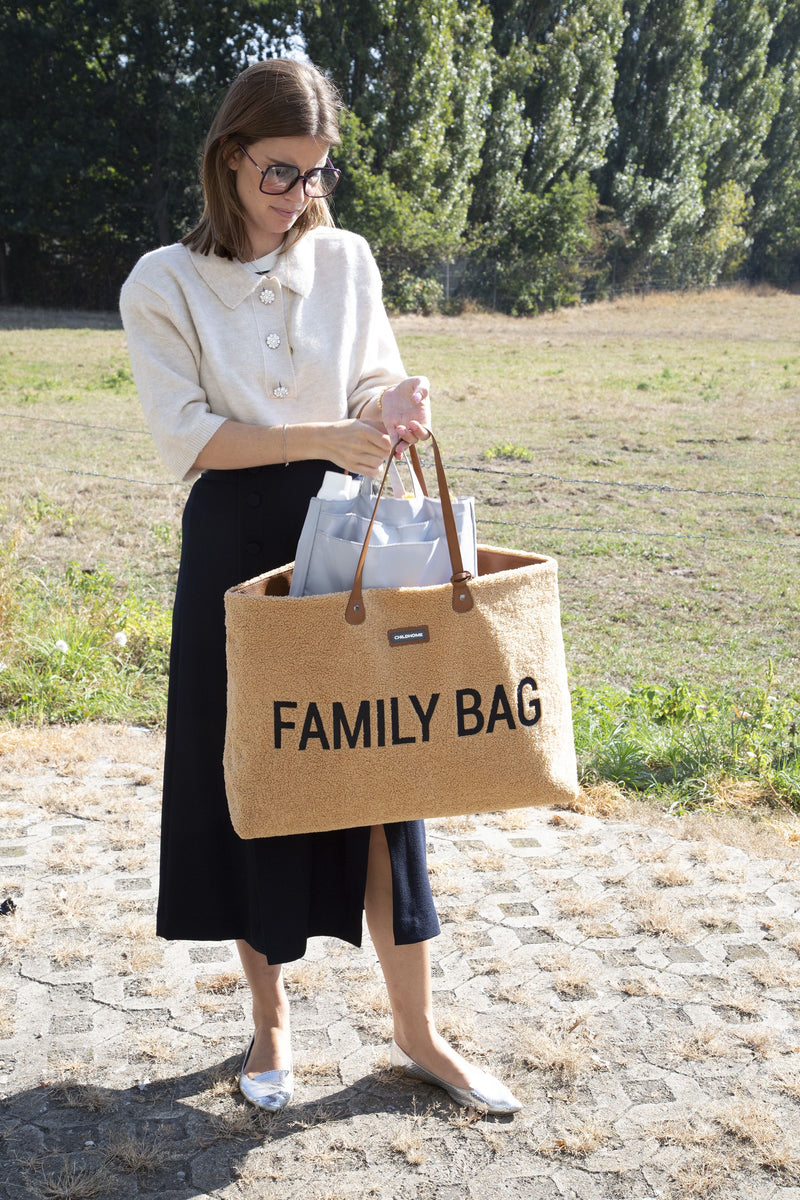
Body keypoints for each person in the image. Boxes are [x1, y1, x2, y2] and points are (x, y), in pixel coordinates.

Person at [120, 57, 520, 1117]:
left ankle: (418, 1033)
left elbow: (368, 378)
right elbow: (192, 438)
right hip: (236, 540)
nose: (300, 195)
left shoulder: (345, 258)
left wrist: (396, 399)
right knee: (260, 779)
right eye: (278, 174)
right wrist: (328, 433)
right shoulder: (160, 281)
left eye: (315, 173)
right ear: (228, 159)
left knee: (386, 779)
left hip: (349, 534)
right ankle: (268, 1027)